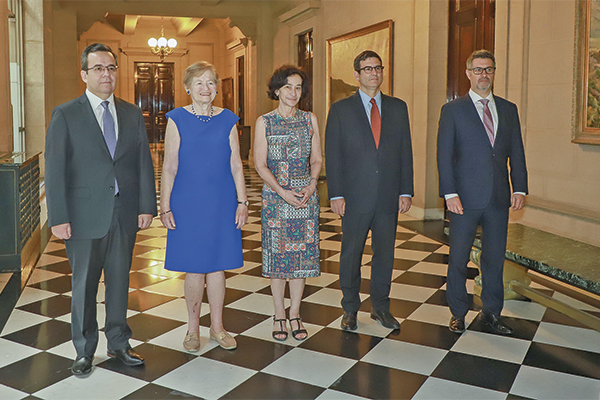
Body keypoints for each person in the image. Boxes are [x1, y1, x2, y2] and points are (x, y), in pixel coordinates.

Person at [45, 43, 156, 377]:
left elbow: (142, 163)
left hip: (124, 211)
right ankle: (84, 349)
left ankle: (119, 342)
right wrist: (59, 216)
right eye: (98, 69)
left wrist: (146, 205)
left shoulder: (131, 112)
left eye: (111, 68)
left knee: (120, 281)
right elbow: (55, 168)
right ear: (84, 74)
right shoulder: (66, 113)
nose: (106, 74)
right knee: (84, 285)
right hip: (81, 216)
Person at [437, 49, 528, 335]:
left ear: (494, 72)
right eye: (478, 70)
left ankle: (492, 312)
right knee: (458, 257)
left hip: (499, 198)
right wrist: (449, 193)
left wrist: (520, 187)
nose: (483, 75)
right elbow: (444, 155)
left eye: (488, 69)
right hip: (463, 199)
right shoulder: (453, 110)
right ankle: (458, 313)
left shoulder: (508, 108)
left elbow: (517, 152)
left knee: (494, 258)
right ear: (468, 73)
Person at [160, 61, 248, 352]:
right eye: (199, 83)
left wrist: (242, 201)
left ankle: (218, 328)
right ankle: (193, 329)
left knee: (219, 267)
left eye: (211, 82)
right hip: (188, 203)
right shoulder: (177, 119)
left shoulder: (228, 119)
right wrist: (165, 204)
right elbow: (170, 166)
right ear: (187, 88)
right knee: (195, 268)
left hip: (222, 202)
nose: (205, 88)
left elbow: (237, 164)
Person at [325, 50, 414, 331]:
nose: (374, 73)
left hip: (388, 194)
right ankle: (350, 308)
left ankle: (381, 308)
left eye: (378, 68)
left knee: (385, 253)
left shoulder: (398, 108)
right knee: (351, 253)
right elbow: (334, 154)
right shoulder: (340, 110)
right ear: (356, 75)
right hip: (354, 197)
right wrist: (335, 194)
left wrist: (406, 190)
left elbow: (405, 152)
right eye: (367, 69)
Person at [254, 65, 321, 341]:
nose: (294, 93)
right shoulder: (265, 122)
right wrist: (282, 192)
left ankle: (296, 313)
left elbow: (316, 158)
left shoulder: (310, 120)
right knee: (279, 259)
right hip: (276, 198)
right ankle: (279, 313)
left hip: (304, 197)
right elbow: (259, 164)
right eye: (288, 87)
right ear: (277, 90)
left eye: (298, 87)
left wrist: (312, 182)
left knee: (301, 259)